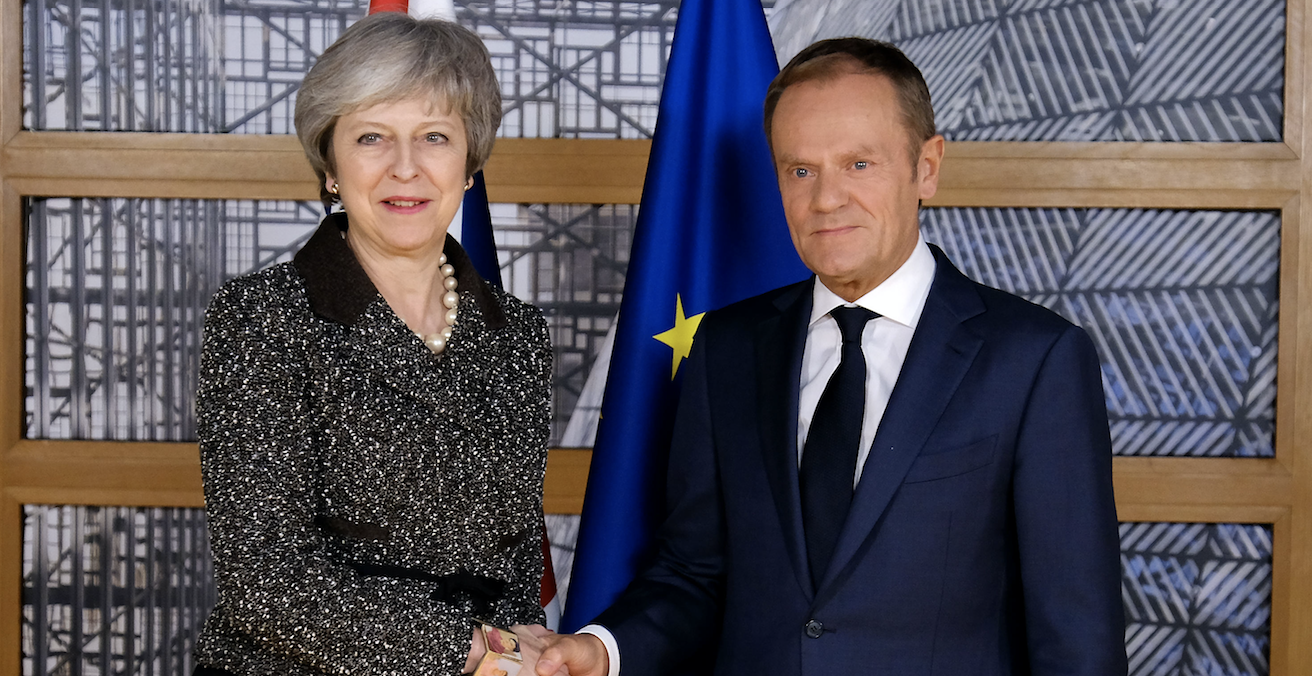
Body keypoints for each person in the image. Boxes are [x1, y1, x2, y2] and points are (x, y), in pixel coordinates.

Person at [537, 38, 1127, 676]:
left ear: (926, 167)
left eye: (859, 164)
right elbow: (694, 574)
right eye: (800, 170)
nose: (825, 199)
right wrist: (601, 649)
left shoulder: (1035, 360)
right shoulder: (726, 349)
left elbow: (1075, 636)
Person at [192, 13, 554, 676]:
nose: (406, 167)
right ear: (330, 163)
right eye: (372, 137)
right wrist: (467, 650)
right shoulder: (261, 319)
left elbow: (518, 556)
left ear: (468, 164)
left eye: (435, 137)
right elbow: (265, 581)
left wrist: (520, 649)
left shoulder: (521, 337)